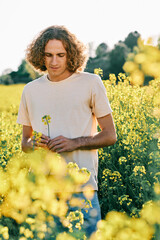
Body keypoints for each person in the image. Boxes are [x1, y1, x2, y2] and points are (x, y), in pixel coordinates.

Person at [17, 25, 117, 237]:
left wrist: (76, 142)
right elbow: (25, 143)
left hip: (81, 191)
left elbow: (110, 135)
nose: (54, 62)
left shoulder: (91, 83)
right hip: (43, 192)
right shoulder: (30, 90)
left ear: (71, 54)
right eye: (48, 55)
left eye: (60, 55)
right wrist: (32, 143)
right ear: (40, 57)